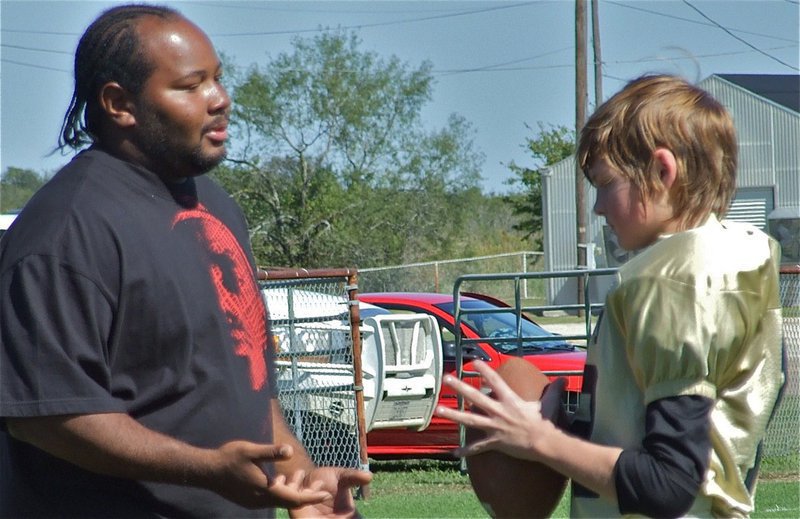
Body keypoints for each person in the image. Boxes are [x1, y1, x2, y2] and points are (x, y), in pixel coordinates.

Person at [0, 4, 370, 518]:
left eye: (217, 79)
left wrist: (301, 481)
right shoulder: (66, 231)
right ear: (119, 103)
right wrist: (204, 468)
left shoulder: (215, 206)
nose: (221, 100)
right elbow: (45, 414)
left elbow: (249, 381)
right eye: (191, 86)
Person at [436, 74, 784, 518]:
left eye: (604, 184)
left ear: (662, 172)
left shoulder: (670, 282)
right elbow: (655, 442)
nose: (598, 206)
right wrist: (571, 425)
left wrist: (540, 440)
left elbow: (669, 485)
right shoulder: (735, 264)